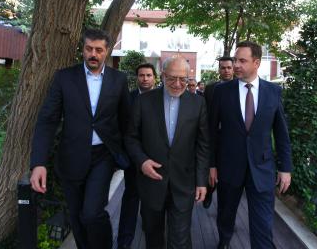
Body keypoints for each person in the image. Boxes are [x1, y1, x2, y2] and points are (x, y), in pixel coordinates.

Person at [30, 29, 130, 249]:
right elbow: (48, 121)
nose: (93, 54)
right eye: (89, 49)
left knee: (92, 214)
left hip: (103, 156)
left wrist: (128, 155)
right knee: (76, 217)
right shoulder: (64, 78)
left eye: (99, 50)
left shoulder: (119, 80)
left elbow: (126, 121)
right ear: (82, 49)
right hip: (71, 157)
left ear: (107, 51)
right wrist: (38, 163)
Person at [209, 41, 292, 249]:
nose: (236, 65)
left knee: (263, 223)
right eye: (235, 60)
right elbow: (211, 132)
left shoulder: (273, 92)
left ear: (256, 63)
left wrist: (285, 168)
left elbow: (281, 133)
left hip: (262, 168)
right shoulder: (221, 92)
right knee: (225, 214)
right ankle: (224, 241)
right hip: (229, 166)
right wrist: (211, 165)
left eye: (242, 61)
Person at [125, 56, 210, 249]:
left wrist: (201, 181)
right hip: (151, 183)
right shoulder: (143, 101)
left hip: (184, 183)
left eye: (183, 79)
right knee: (153, 237)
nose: (178, 84)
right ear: (162, 76)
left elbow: (203, 144)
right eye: (172, 78)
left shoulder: (198, 104)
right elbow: (130, 138)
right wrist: (142, 161)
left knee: (180, 240)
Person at [117, 62, 156, 249]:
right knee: (131, 197)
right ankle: (124, 241)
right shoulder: (127, 99)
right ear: (137, 78)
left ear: (155, 77)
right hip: (133, 159)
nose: (145, 79)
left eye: (149, 75)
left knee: (154, 200)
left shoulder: (164, 99)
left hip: (157, 160)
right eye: (142, 75)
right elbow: (122, 128)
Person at [202, 56, 234, 209]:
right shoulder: (210, 88)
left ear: (233, 68)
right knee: (211, 167)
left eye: (229, 67)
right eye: (223, 67)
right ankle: (209, 191)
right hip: (213, 135)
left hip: (232, 138)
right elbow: (206, 112)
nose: (226, 70)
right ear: (219, 69)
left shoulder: (239, 87)